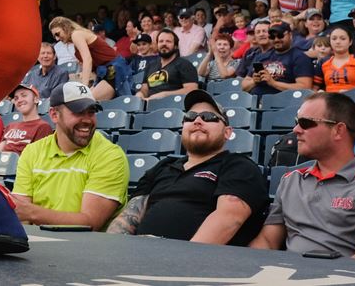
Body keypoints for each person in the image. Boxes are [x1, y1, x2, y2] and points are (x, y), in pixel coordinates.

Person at [107, 90, 268, 244]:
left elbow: (229, 219)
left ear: (227, 132)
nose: (197, 121)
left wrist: (181, 262)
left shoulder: (239, 166)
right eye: (190, 117)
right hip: (139, 258)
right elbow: (129, 216)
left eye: (209, 117)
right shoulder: (163, 167)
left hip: (196, 266)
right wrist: (115, 251)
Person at [250, 92, 355, 258]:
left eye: (305, 123)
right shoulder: (291, 179)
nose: (296, 130)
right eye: (297, 122)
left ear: (338, 130)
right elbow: (267, 241)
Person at [12, 83, 129, 228]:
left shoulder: (110, 155)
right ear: (54, 115)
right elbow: (20, 215)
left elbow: (90, 223)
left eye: (91, 112)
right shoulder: (32, 151)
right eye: (78, 112)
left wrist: (32, 213)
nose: (87, 120)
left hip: (86, 248)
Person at [49, 16, 126, 100]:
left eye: (57, 34)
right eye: (54, 36)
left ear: (65, 27)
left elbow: (87, 59)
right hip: (105, 72)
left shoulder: (76, 34)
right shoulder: (77, 37)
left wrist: (84, 87)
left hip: (114, 69)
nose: (57, 39)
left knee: (86, 99)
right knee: (81, 100)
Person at [236, 21, 313, 96]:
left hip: (282, 105)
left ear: (290, 35)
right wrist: (254, 81)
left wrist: (273, 83)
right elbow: (243, 86)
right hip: (255, 102)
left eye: (280, 36)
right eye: (272, 37)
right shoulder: (261, 57)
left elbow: (305, 88)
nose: (276, 39)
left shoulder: (300, 57)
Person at [137, 29, 198, 100]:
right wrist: (140, 94)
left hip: (173, 106)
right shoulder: (151, 66)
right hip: (148, 107)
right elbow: (145, 89)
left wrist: (166, 95)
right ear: (157, 45)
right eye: (161, 41)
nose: (164, 44)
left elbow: (192, 90)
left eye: (168, 41)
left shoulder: (184, 64)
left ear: (176, 46)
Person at [315, 26, 355, 92]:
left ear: (350, 42)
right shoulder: (323, 62)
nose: (338, 42)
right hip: (329, 100)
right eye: (334, 39)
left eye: (343, 39)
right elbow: (314, 87)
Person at [0, 84, 52, 153]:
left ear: (35, 99)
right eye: (16, 98)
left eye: (24, 95)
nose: (19, 100)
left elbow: (38, 157)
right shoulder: (10, 126)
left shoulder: (43, 127)